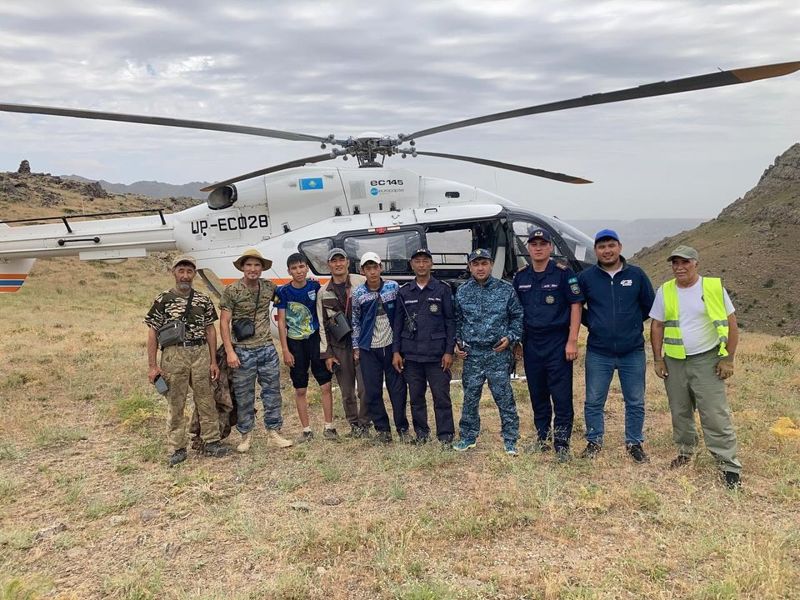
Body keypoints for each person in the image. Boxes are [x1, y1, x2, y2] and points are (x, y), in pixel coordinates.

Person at [649, 245, 741, 489]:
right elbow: (657, 325)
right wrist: (658, 359)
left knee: (714, 413)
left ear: (696, 263)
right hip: (675, 361)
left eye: (685, 262)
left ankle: (728, 465)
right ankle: (685, 451)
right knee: (680, 411)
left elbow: (731, 324)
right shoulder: (665, 291)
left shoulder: (713, 287)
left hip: (707, 360)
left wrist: (728, 359)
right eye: (675, 263)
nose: (680, 267)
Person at [577, 229, 656, 462]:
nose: (607, 250)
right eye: (602, 247)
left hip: (632, 350)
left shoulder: (637, 275)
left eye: (611, 245)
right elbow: (577, 307)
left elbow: (649, 306)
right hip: (598, 351)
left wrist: (631, 323)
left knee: (635, 401)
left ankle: (634, 443)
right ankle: (594, 441)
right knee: (593, 400)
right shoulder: (586, 278)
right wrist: (594, 322)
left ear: (620, 247)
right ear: (596, 251)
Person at [145, 255, 229, 466]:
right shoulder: (163, 299)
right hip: (174, 355)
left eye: (189, 271)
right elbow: (152, 332)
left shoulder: (203, 299)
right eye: (181, 271)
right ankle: (178, 447)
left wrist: (213, 361)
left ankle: (211, 441)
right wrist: (153, 366)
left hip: (200, 353)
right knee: (176, 402)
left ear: (194, 274)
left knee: (206, 399)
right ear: (174, 272)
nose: (185, 275)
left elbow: (210, 330)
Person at [513, 228, 583, 461]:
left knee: (561, 396)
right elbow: (515, 312)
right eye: (534, 244)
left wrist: (572, 340)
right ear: (529, 248)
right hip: (532, 343)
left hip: (558, 342)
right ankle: (542, 438)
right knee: (538, 394)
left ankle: (562, 444)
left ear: (550, 247)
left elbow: (576, 305)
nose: (538, 248)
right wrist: (517, 341)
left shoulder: (563, 274)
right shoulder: (521, 277)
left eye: (543, 244)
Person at [220, 248, 293, 452]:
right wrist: (230, 351)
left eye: (257, 265)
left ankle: (273, 432)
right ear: (242, 267)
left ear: (262, 268)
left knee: (272, 393)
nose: (253, 269)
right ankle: (246, 435)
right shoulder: (232, 290)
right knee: (244, 395)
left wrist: (309, 282)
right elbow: (224, 322)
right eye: (249, 265)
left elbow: (285, 297)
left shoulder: (269, 288)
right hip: (242, 351)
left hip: (266, 348)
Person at [453, 248, 523, 455]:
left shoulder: (505, 289)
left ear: (491, 265)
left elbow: (518, 317)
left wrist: (511, 338)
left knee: (505, 398)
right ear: (470, 267)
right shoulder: (462, 291)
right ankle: (468, 437)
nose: (480, 268)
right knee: (470, 399)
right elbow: (457, 320)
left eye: (484, 263)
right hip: (472, 354)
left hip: (497, 353)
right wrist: (457, 343)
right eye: (476, 264)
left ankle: (510, 439)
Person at [392, 248, 456, 444]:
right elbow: (397, 324)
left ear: (431, 264)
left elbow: (450, 321)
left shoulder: (442, 289)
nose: (421, 265)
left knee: (441, 398)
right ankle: (421, 434)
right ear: (412, 264)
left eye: (425, 261)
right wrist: (396, 351)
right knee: (416, 398)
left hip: (437, 355)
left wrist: (449, 351)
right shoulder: (404, 291)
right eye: (417, 261)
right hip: (411, 355)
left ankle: (445, 435)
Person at [275, 253, 337, 443]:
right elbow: (281, 321)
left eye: (301, 267)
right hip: (295, 343)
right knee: (300, 388)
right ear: (289, 271)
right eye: (294, 268)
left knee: (325, 384)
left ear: (307, 268)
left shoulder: (314, 287)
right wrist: (285, 349)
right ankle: (306, 430)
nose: (299, 271)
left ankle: (329, 426)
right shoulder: (283, 292)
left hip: (315, 340)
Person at [351, 252, 408, 443]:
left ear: (381, 268)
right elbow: (355, 321)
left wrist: (401, 346)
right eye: (368, 268)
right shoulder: (358, 293)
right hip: (369, 349)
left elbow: (401, 315)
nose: (372, 272)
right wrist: (356, 347)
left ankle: (402, 428)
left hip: (392, 347)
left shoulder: (393, 287)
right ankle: (383, 430)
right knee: (373, 391)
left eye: (375, 267)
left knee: (398, 390)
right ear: (362, 271)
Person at [316, 248, 371, 437]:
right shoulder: (323, 292)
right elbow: (322, 325)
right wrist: (328, 354)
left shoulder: (361, 282)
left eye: (341, 260)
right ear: (329, 265)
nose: (338, 264)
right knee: (347, 391)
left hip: (362, 344)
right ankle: (354, 425)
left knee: (364, 388)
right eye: (334, 261)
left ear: (347, 262)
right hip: (339, 347)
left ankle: (365, 424)